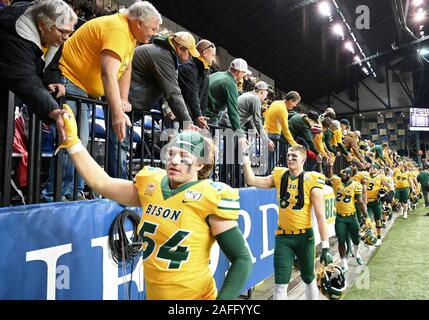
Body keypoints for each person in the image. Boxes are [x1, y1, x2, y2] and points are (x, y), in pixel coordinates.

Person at [57, 105, 252, 300]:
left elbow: (242, 259)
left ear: (201, 164)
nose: (174, 161)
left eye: (184, 157)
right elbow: (102, 183)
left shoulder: (209, 196)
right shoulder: (152, 184)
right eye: (171, 153)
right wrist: (74, 143)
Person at [42, 1, 162, 200]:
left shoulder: (129, 35)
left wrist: (123, 99)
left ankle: (75, 192)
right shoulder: (118, 30)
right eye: (153, 28)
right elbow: (108, 73)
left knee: (81, 139)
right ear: (139, 23)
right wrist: (117, 113)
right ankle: (56, 194)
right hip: (71, 82)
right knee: (72, 138)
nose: (154, 33)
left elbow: (126, 67)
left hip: (85, 90)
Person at [0, 0, 77, 199]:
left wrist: (52, 81)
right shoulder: (15, 32)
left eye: (69, 32)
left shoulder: (53, 34)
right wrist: (53, 109)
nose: (65, 38)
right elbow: (24, 77)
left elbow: (50, 64)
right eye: (62, 32)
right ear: (43, 25)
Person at [243, 144, 333, 300]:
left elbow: (320, 216)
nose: (290, 158)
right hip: (283, 237)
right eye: (288, 155)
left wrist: (325, 247)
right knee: (280, 283)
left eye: (294, 156)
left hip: (304, 237)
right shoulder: (279, 175)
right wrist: (245, 156)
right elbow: (251, 180)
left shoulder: (312, 179)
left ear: (303, 160)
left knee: (308, 278)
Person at [327, 167, 371, 272]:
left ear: (350, 175)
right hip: (339, 217)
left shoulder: (356, 185)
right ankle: (344, 263)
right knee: (341, 241)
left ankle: (356, 254)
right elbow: (328, 177)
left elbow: (360, 202)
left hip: (352, 216)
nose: (344, 173)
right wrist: (329, 165)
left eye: (346, 172)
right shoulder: (336, 181)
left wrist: (367, 217)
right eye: (343, 171)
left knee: (356, 239)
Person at [204, 58, 252, 150]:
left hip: (199, 113)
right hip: (208, 117)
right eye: (244, 73)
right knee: (211, 151)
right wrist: (240, 133)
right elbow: (233, 111)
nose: (244, 76)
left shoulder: (218, 74)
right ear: (239, 72)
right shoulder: (230, 84)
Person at [219, 81, 275, 152]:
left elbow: (250, 117)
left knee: (233, 153)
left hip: (226, 122)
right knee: (232, 155)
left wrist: (254, 129)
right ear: (262, 92)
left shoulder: (249, 95)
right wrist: (267, 141)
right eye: (266, 92)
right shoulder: (255, 99)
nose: (266, 95)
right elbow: (258, 122)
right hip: (229, 124)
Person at [178, 39, 217, 130]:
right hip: (181, 114)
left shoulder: (206, 71)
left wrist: (201, 116)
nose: (213, 58)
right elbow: (192, 94)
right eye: (212, 55)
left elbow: (204, 97)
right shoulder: (188, 67)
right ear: (205, 53)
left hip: (192, 116)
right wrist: (198, 115)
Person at [366, 163, 389, 245]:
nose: (371, 168)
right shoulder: (365, 175)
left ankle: (379, 237)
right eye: (371, 167)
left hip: (376, 201)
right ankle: (368, 236)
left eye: (374, 167)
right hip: (366, 202)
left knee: (378, 220)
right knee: (367, 220)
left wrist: (390, 192)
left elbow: (387, 185)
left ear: (378, 170)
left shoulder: (381, 177)